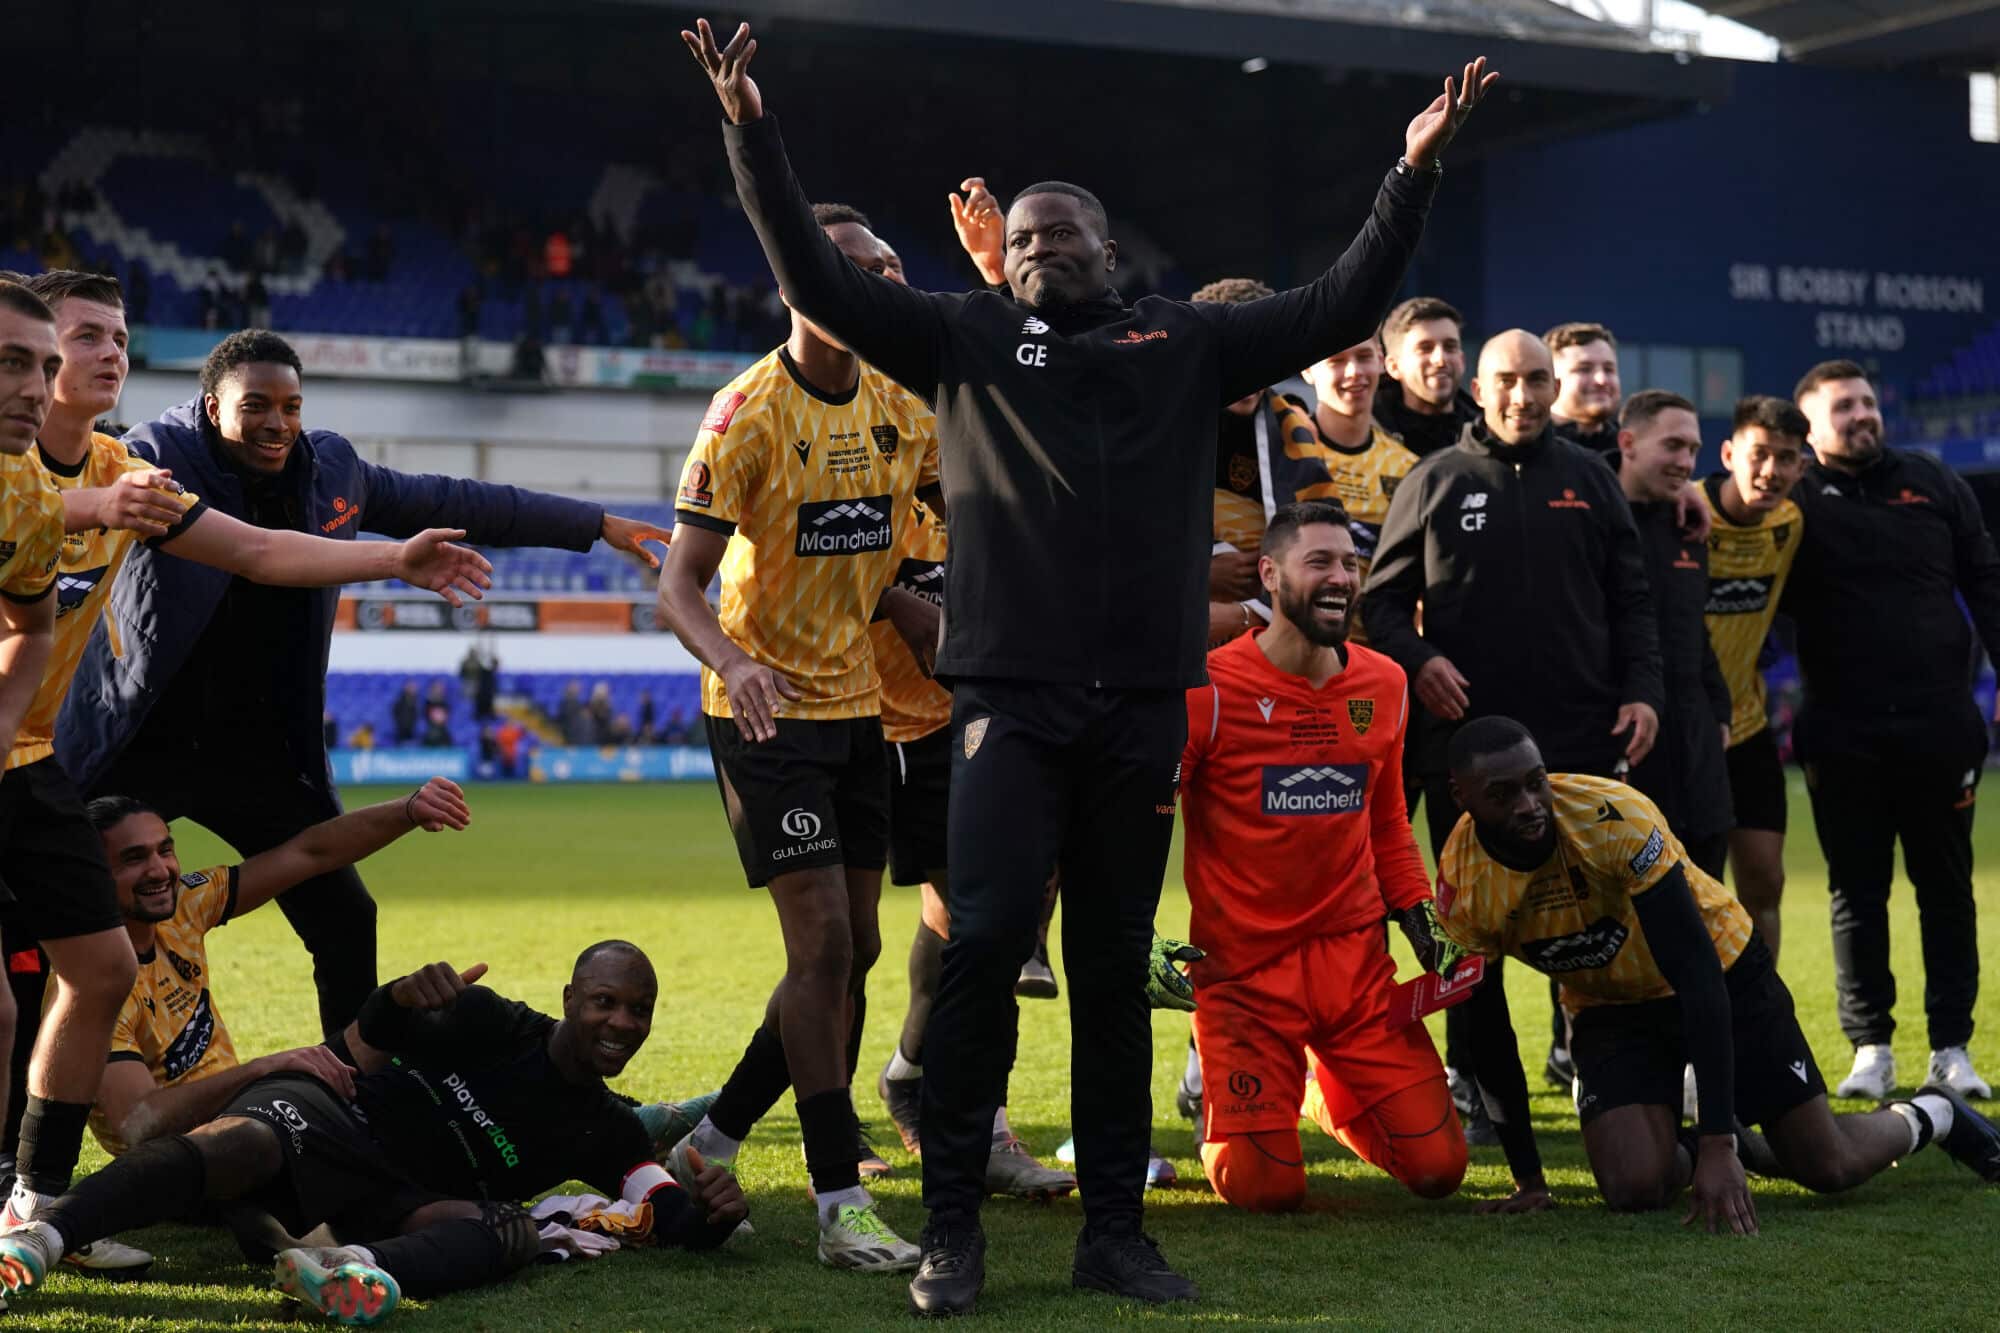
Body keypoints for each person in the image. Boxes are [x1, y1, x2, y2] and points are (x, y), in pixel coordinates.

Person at [682, 20, 1495, 1313]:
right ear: (1003, 260)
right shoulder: (962, 340)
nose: (1049, 253)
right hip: (1006, 704)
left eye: (1071, 239)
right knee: (991, 944)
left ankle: (1115, 1229)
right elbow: (819, 284)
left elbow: (1343, 302)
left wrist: (1414, 171)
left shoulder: (1185, 344)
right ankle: (954, 1229)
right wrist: (751, 134)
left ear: (1114, 258)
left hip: (1141, 713)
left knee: (1114, 969)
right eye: (1032, 241)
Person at [0, 276, 485, 1241]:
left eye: (108, 341)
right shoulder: (103, 477)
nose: (96, 358)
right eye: (60, 347)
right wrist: (102, 502)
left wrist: (395, 560)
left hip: (25, 762)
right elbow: (54, 523)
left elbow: (260, 551)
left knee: (98, 971)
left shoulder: (107, 469)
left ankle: (36, 1197)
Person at [55, 328, 667, 1048]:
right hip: (140, 739)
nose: (277, 423)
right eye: (256, 405)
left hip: (262, 754)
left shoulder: (332, 472)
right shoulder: (157, 456)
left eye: (291, 405)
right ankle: (16, 1131)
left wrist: (593, 523)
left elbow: (458, 497)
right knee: (52, 910)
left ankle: (352, 1101)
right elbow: (235, 548)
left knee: (346, 916)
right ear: (211, 405)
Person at [656, 200, 941, 1270]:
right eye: (857, 269)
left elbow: (911, 534)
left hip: (857, 710)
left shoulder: (904, 409)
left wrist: (913, 604)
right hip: (760, 712)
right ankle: (836, 1202)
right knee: (822, 948)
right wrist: (731, 660)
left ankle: (715, 1134)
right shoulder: (745, 415)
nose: (879, 285)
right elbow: (675, 582)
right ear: (800, 282)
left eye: (888, 269)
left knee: (855, 951)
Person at [1434, 716, 2000, 1233]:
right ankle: (1733, 1146)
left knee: (1828, 1165)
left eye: (1537, 782)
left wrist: (1718, 1146)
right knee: (1633, 1187)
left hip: (1721, 971)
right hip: (1610, 1005)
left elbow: (1697, 976)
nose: (1530, 804)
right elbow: (1485, 1028)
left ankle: (1934, 1113)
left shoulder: (1612, 818)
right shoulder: (1464, 882)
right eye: (1501, 795)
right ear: (1460, 797)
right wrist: (1529, 1181)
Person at [0, 947, 749, 1321]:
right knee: (243, 1144)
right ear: (570, 998)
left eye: (638, 1010)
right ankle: (47, 1237)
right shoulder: (495, 1021)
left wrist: (715, 1213)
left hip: (395, 1201)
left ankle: (344, 1268)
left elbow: (671, 1217)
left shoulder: (608, 1129)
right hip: (338, 1119)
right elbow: (372, 1032)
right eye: (604, 1002)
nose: (622, 1023)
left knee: (511, 1229)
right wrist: (400, 996)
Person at [1362, 328, 1661, 1114]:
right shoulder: (1433, 480)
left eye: (1536, 381)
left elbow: (1633, 602)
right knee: (1469, 917)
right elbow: (1381, 604)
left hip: (1576, 736)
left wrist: (1643, 692)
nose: (1522, 396)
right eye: (1507, 381)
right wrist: (1419, 659)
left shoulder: (1593, 481)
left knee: (1594, 902)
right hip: (1466, 750)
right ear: (1481, 388)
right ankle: (1476, 1081)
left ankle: (1592, 1054)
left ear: (1553, 386)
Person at [1179, 500, 1465, 1213]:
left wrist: (1423, 920)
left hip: (1355, 970)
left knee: (1439, 1168)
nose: (1341, 578)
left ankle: (1310, 1088)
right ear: (1271, 575)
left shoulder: (1385, 684)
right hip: (1243, 979)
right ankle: (1259, 1091)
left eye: (1349, 563)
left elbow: (1389, 821)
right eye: (1320, 563)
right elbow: (1139, 823)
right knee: (1266, 1189)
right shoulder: (1208, 690)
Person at [1786, 360, 2000, 1100]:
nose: (1862, 414)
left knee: (1946, 888)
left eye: (1869, 401)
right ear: (1809, 428)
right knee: (1857, 890)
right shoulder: (1796, 498)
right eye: (1843, 406)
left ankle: (1952, 1048)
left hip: (1939, 724)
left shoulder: (1936, 482)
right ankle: (1870, 1048)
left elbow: (1987, 582)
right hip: (1842, 731)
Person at [85, 778, 470, 1156]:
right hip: (199, 1155)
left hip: (252, 1106)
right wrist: (262, 1070)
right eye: (134, 858)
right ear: (92, 874)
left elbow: (310, 853)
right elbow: (138, 1124)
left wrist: (407, 810)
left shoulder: (183, 907)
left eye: (164, 850)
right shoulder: (90, 984)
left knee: (401, 1023)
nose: (160, 870)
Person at [870, 500, 1075, 1200]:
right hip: (869, 717)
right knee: (844, 940)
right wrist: (897, 599)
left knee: (973, 920)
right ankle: (831, 1127)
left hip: (976, 712)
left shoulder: (999, 452)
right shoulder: (874, 430)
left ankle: (959, 1111)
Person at [0, 280, 69, 1244]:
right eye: (14, 360)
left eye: (45, 366)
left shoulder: (28, 493)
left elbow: (32, 620)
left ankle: (32, 1194)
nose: (39, 387)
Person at [1699, 396, 1809, 957]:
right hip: (1687, 732)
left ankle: (1763, 1021)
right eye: (1759, 454)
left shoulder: (1791, 523)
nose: (1770, 470)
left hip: (1747, 725)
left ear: (1801, 467)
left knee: (1766, 880)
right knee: (1690, 891)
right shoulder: (1684, 514)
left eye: (1785, 458)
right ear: (1728, 453)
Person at [1613, 390, 1732, 875]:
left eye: (1693, 450)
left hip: (1697, 746)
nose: (1686, 462)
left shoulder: (1689, 527)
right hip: (1627, 741)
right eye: (1673, 446)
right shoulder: (1589, 523)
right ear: (1627, 443)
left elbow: (1694, 631)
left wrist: (1718, 709)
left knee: (1709, 906)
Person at [1372, 296, 1477, 459]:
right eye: (1425, 348)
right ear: (1393, 366)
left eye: (1450, 347)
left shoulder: (1486, 435)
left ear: (1462, 361)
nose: (1440, 359)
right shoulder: (1367, 436)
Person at [1546, 321, 1622, 460]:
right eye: (1584, 369)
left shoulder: (1632, 450)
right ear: (1550, 380)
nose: (1601, 380)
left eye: (1609, 369)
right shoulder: (1527, 447)